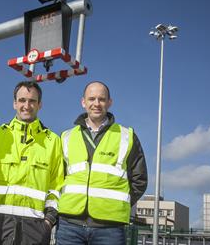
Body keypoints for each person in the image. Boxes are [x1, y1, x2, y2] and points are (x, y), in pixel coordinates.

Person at [56, 81, 148, 245]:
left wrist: (119, 204)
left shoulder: (126, 136)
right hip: (69, 226)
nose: (96, 104)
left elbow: (139, 180)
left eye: (101, 99)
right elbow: (57, 177)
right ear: (83, 102)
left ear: (109, 102)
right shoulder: (66, 137)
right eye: (91, 99)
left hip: (110, 228)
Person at [0, 81, 64, 245]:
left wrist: (48, 221)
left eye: (32, 101)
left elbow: (57, 186)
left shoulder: (53, 141)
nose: (27, 105)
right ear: (14, 103)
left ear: (40, 105)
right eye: (22, 100)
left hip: (35, 229)